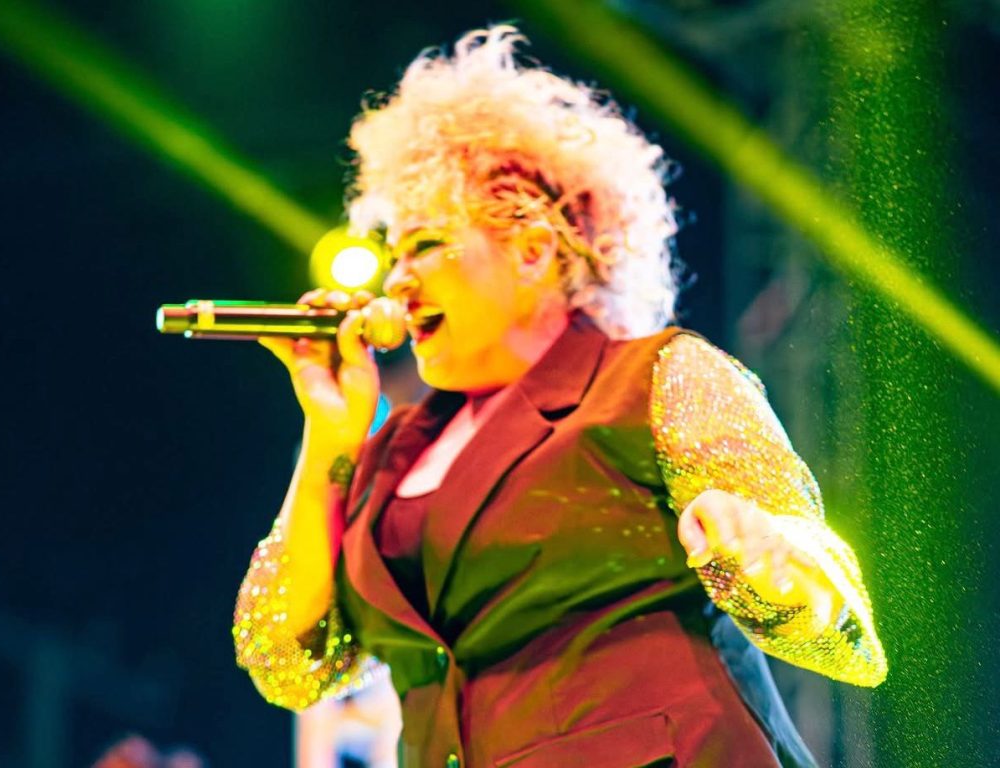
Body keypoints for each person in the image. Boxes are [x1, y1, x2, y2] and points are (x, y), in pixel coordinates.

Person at [232, 26, 887, 768]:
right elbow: (286, 663)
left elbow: (839, 631)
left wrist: (774, 566)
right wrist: (329, 429)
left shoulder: (655, 379)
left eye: (426, 246)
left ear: (533, 248)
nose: (398, 280)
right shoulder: (390, 455)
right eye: (394, 255)